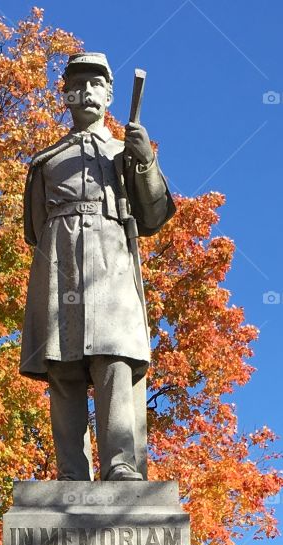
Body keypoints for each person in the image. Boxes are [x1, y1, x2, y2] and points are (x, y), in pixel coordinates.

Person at [20, 52, 175, 481]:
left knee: (114, 359)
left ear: (109, 95)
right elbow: (35, 229)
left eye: (95, 84)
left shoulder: (126, 152)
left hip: (111, 261)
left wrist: (145, 162)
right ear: (66, 96)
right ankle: (71, 473)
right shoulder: (46, 161)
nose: (86, 91)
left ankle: (122, 465)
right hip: (59, 262)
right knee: (62, 363)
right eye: (77, 85)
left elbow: (153, 216)